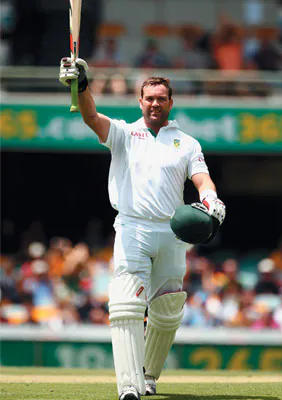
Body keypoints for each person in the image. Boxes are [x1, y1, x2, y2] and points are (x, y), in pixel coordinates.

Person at [59, 57, 226, 400]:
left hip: (173, 231)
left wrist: (210, 198)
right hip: (133, 227)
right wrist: (82, 85)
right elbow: (91, 116)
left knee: (166, 312)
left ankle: (149, 377)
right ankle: (129, 386)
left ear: (169, 102)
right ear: (140, 101)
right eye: (148, 98)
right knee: (125, 305)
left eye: (160, 98)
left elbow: (201, 178)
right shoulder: (125, 133)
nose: (154, 103)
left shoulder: (187, 143)